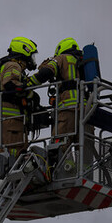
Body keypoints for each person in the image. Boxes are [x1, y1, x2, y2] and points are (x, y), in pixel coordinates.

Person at [27, 37, 83, 172]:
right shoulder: (83, 62)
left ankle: (63, 171)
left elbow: (46, 72)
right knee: (84, 144)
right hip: (88, 108)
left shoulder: (62, 58)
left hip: (68, 107)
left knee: (61, 141)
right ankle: (85, 171)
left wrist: (26, 85)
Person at [0, 37, 39, 158]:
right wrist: (29, 92)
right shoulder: (14, 65)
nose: (32, 59)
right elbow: (10, 84)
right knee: (14, 151)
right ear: (24, 51)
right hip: (11, 118)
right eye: (31, 55)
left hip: (13, 118)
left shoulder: (14, 66)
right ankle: (10, 171)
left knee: (18, 148)